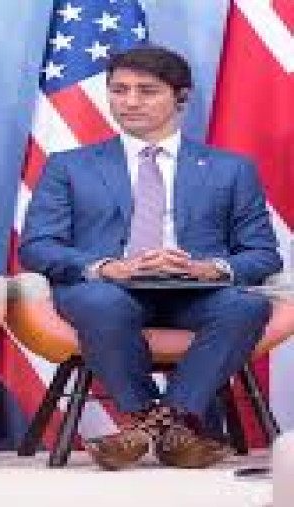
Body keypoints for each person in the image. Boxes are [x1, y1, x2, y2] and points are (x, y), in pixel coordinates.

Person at [19, 46, 281, 470]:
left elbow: (262, 254)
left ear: (181, 97)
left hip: (195, 291)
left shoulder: (231, 169)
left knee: (246, 306)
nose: (130, 101)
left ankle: (146, 429)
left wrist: (207, 267)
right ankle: (169, 427)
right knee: (102, 301)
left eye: (147, 91)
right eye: (119, 90)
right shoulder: (69, 166)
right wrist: (105, 267)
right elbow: (37, 246)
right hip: (106, 289)